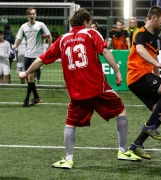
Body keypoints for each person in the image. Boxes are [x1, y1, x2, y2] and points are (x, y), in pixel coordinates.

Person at [19, 8, 142, 169]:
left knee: (70, 123)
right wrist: (118, 71)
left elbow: (41, 59)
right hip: (98, 88)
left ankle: (68, 159)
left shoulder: (62, 39)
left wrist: (26, 73)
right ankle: (122, 150)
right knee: (121, 110)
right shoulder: (91, 33)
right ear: (85, 23)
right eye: (89, 23)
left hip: (77, 93)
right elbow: (105, 51)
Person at [127, 6, 161, 159]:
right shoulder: (140, 33)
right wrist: (157, 65)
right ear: (154, 18)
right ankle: (149, 126)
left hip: (142, 78)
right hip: (137, 76)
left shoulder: (155, 36)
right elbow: (141, 51)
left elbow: (154, 59)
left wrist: (158, 72)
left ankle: (137, 145)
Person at [12, 7, 52, 107]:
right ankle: (36, 97)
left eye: (33, 14)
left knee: (29, 76)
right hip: (27, 55)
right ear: (27, 15)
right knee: (28, 78)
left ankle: (26, 100)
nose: (32, 16)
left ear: (36, 15)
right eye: (30, 14)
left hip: (37, 56)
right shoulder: (23, 27)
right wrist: (14, 46)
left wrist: (49, 49)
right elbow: (19, 39)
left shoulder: (40, 25)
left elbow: (49, 36)